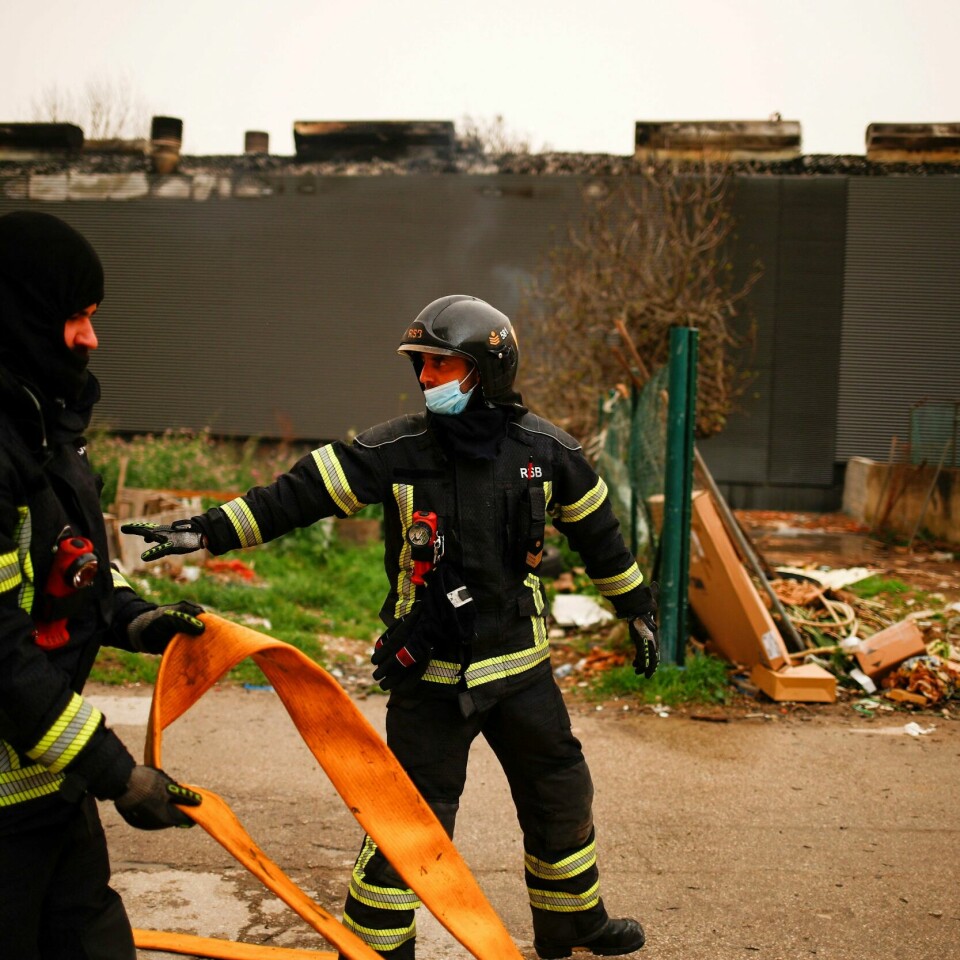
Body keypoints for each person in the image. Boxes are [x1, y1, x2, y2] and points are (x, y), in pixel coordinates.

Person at [124, 294, 660, 960]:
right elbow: (297, 495)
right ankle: (379, 947)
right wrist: (204, 529)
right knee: (406, 821)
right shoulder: (394, 450)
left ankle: (572, 924)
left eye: (441, 365)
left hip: (521, 672)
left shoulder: (548, 452)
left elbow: (599, 536)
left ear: (486, 370)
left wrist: (637, 608)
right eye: (422, 367)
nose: (426, 379)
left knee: (562, 794)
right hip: (428, 675)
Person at [0, 210, 208, 960]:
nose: (92, 337)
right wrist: (117, 774)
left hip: (47, 786)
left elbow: (74, 562)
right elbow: (1, 656)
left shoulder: (42, 426)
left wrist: (137, 619)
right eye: (77, 317)